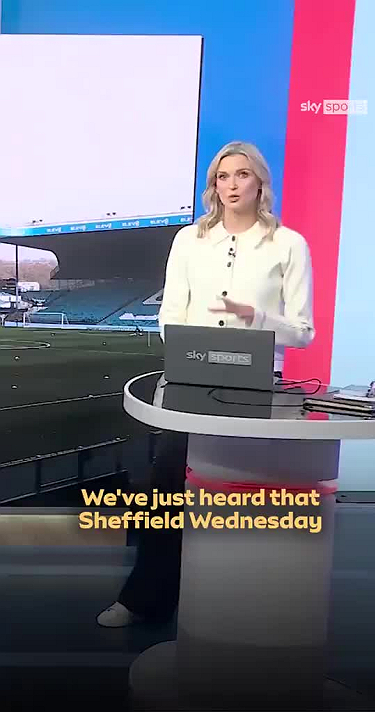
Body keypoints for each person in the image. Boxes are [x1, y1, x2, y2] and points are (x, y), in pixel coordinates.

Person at [97, 140, 315, 627]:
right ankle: (144, 600)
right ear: (214, 185)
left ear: (260, 182)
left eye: (242, 174)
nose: (232, 185)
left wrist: (256, 317)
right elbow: (170, 314)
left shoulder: (288, 244)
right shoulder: (189, 240)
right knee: (169, 487)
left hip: (259, 386)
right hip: (192, 380)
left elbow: (303, 332)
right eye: (222, 176)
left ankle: (245, 608)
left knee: (247, 492)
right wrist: (190, 351)